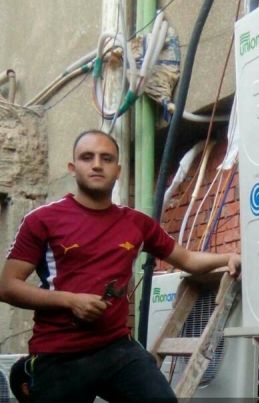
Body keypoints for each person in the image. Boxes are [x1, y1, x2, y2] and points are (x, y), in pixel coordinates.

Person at [0, 129, 241, 403]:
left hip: (116, 347)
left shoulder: (137, 223)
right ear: (72, 167)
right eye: (87, 157)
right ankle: (30, 372)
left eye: (106, 158)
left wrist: (228, 258)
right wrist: (70, 301)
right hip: (58, 351)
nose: (97, 165)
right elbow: (7, 287)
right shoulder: (41, 220)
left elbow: (187, 260)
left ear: (118, 170)